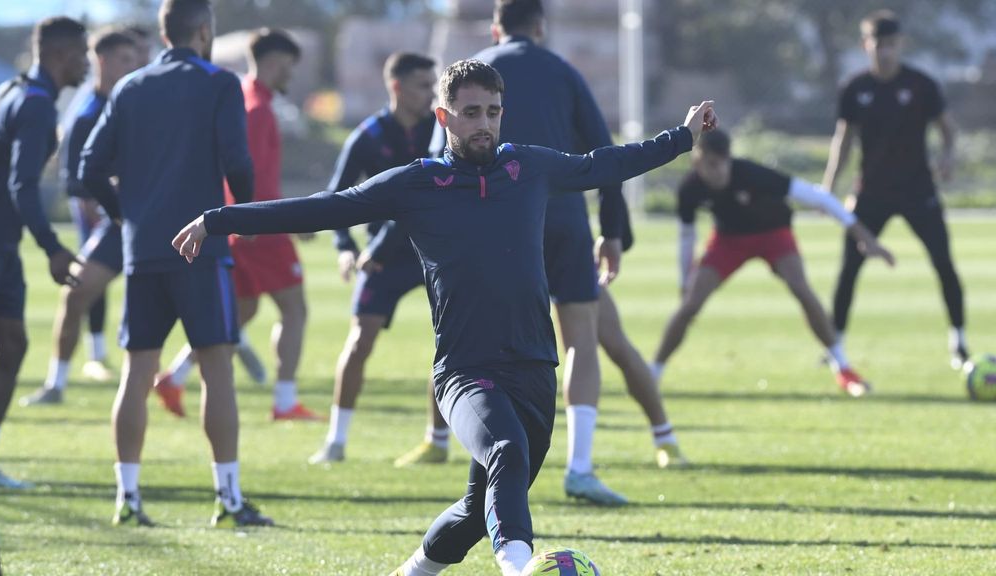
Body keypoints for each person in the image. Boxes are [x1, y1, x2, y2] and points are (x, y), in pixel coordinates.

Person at [173, 59, 715, 576]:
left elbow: (607, 164)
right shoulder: (417, 183)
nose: (486, 124)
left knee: (479, 509)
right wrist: (217, 220)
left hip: (533, 366)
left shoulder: (529, 167)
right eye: (473, 112)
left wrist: (682, 137)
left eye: (494, 111)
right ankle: (519, 565)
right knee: (505, 449)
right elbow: (322, 206)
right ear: (444, 117)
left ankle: (416, 569)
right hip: (465, 370)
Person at [400, 0, 686, 503]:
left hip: (492, 222)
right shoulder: (563, 70)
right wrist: (614, 232)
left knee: (463, 335)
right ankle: (580, 467)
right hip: (565, 221)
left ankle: (441, 439)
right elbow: (605, 155)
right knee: (582, 337)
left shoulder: (475, 78)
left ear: (495, 28)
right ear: (540, 26)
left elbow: (433, 159)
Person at [79, 0, 272, 527]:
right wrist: (244, 218)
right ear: (204, 30)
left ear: (165, 33)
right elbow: (237, 159)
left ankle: (128, 498)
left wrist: (126, 217)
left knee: (136, 371)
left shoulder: (131, 86)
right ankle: (229, 499)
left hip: (143, 250)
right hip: (202, 249)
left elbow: (89, 167)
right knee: (216, 369)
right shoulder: (218, 83)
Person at [650, 130, 895, 398]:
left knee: (801, 288)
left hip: (773, 234)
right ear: (697, 162)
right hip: (728, 240)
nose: (716, 172)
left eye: (720, 164)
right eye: (708, 164)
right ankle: (653, 374)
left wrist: (865, 237)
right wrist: (685, 280)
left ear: (729, 159)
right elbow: (687, 237)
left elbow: (819, 198)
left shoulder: (753, 174)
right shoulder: (689, 188)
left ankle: (843, 368)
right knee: (689, 305)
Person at [153, 29, 316, 421]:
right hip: (258, 228)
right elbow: (252, 178)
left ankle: (173, 378)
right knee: (295, 310)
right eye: (289, 67)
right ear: (276, 62)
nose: (290, 76)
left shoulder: (243, 98)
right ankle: (284, 401)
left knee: (239, 314)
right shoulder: (258, 109)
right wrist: (284, 221)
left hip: (240, 224)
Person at [308, 52, 442, 465]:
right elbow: (335, 201)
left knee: (451, 344)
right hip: (380, 262)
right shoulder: (367, 136)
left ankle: (437, 441)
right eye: (424, 84)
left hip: (434, 253)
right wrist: (345, 248)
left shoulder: (441, 130)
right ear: (397, 87)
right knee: (359, 341)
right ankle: (336, 440)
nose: (432, 93)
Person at [0, 16, 87, 488]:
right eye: (83, 53)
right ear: (61, 55)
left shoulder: (12, 89)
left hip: (0, 243)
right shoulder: (35, 104)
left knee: (13, 343)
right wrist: (53, 247)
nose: (86, 62)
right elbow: (21, 185)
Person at [823, 10, 968, 369]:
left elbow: (949, 130)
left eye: (891, 44)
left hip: (918, 190)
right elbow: (844, 140)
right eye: (878, 44)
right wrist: (827, 188)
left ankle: (959, 340)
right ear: (866, 45)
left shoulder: (921, 85)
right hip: (871, 192)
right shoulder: (856, 89)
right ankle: (835, 346)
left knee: (944, 263)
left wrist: (948, 158)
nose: (885, 51)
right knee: (849, 268)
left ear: (900, 45)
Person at [21, 29, 142, 406]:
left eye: (135, 58)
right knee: (76, 297)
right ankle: (56, 384)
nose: (134, 66)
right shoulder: (89, 113)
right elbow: (79, 186)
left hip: (147, 220)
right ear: (101, 61)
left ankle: (182, 371)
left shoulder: (134, 101)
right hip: (119, 225)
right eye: (126, 59)